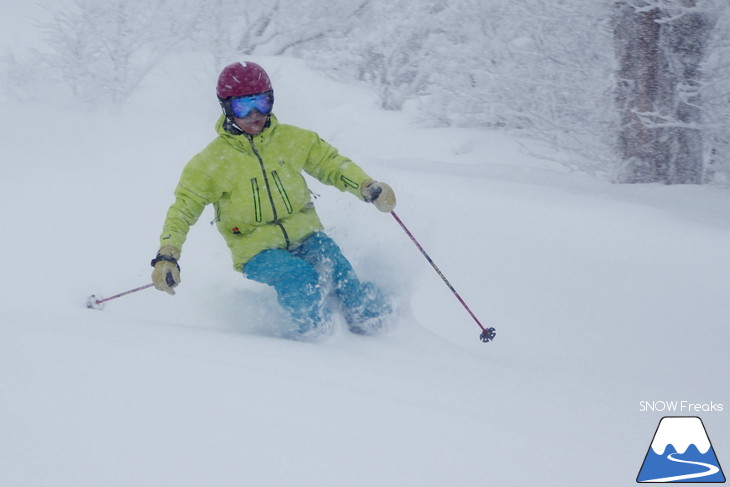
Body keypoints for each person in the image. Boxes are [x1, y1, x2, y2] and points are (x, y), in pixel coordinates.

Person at [150, 61, 396, 338]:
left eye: (262, 103)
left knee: (335, 264)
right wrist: (167, 255)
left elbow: (331, 164)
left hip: (305, 234)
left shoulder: (293, 139)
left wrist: (365, 186)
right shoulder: (210, 163)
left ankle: (374, 321)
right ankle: (318, 337)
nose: (255, 115)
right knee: (298, 277)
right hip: (256, 249)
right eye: (243, 107)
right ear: (227, 109)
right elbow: (183, 209)